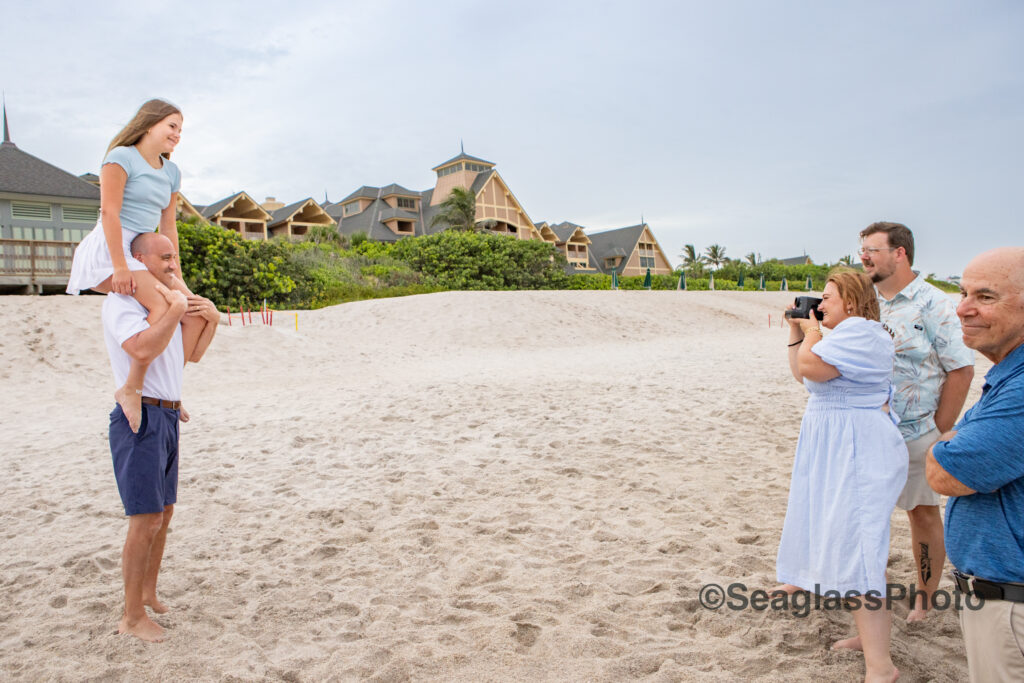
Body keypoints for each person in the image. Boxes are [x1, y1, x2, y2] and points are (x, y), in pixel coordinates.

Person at [776, 269, 907, 683]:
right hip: (835, 447)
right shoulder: (844, 336)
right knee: (852, 544)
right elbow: (803, 372)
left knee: (860, 551)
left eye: (828, 297)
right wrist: (800, 331)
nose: (820, 303)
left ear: (851, 301)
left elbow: (812, 366)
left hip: (857, 450)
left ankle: (881, 667)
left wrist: (813, 332)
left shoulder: (862, 332)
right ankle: (867, 638)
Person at [104, 231, 219, 642]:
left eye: (174, 258)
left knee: (164, 513)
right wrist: (171, 307)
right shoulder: (122, 304)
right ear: (139, 260)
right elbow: (141, 350)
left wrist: (212, 318)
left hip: (168, 415)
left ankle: (148, 592)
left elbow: (192, 353)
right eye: (165, 258)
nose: (173, 265)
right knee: (145, 518)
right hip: (141, 418)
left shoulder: (162, 305)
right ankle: (131, 616)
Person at [859, 221, 974, 622]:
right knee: (865, 513)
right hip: (867, 430)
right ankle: (869, 596)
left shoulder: (934, 303)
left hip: (916, 433)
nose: (864, 257)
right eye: (863, 250)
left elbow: (960, 370)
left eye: (872, 249)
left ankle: (925, 598)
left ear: (900, 253)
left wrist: (938, 430)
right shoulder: (865, 299)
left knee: (922, 512)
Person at [68, 99, 200, 434]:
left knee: (193, 310)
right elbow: (109, 214)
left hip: (145, 249)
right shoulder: (121, 158)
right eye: (172, 126)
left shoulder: (171, 172)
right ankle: (133, 388)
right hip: (112, 248)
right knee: (163, 306)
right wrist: (120, 267)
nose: (177, 134)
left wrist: (177, 275)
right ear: (149, 123)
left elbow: (168, 228)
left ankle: (164, 389)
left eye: (181, 129)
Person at [925, 247, 1024, 681]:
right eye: (963, 293)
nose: (962, 308)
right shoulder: (1007, 376)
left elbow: (946, 473)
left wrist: (945, 445)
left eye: (985, 296)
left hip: (1012, 610)